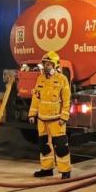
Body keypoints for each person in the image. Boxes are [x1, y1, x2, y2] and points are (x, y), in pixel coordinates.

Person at [28, 51, 72, 179]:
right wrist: (32, 114)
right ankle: (46, 169)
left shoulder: (62, 79)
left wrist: (64, 117)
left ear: (55, 65)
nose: (46, 66)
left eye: (49, 64)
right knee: (44, 146)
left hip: (56, 120)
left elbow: (66, 100)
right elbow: (36, 98)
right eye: (45, 64)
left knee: (61, 146)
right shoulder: (40, 79)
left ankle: (65, 171)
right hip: (42, 119)